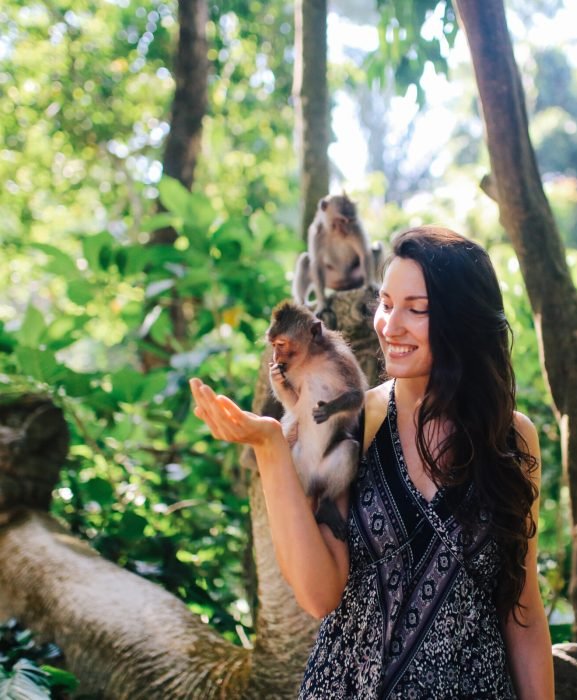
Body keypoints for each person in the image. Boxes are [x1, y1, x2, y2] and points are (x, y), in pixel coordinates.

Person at [190, 225, 555, 699]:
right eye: (385, 304)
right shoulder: (353, 423)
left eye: (416, 310)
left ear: (462, 319)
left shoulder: (510, 437)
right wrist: (270, 449)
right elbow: (319, 594)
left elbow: (521, 607)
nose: (389, 325)